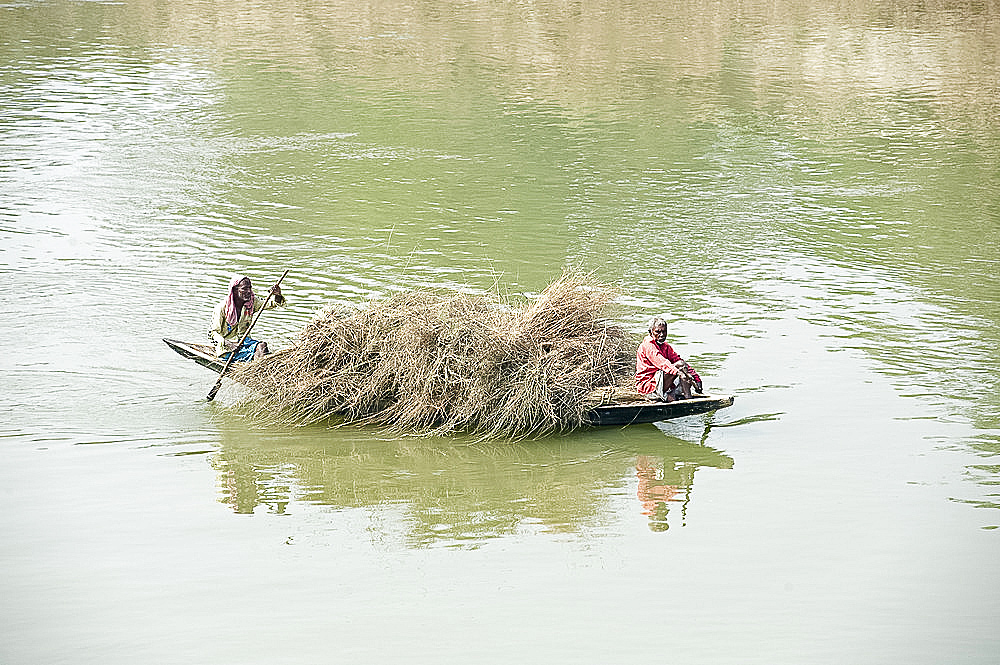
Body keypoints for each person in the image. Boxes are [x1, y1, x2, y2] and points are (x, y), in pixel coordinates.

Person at [209, 273, 286, 362]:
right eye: (245, 288)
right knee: (259, 354)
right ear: (235, 290)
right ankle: (256, 365)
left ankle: (258, 366)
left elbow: (271, 304)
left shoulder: (251, 302)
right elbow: (212, 333)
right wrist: (228, 344)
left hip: (244, 341)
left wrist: (277, 295)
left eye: (250, 288)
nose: (249, 291)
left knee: (262, 346)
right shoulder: (222, 308)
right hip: (227, 348)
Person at [635, 316, 702, 401]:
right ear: (650, 332)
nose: (661, 335)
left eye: (664, 331)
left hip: (661, 383)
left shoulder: (665, 346)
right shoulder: (648, 345)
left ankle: (687, 397)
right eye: (657, 332)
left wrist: (696, 378)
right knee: (679, 367)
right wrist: (678, 372)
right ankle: (687, 398)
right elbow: (662, 362)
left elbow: (678, 360)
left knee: (682, 366)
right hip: (648, 386)